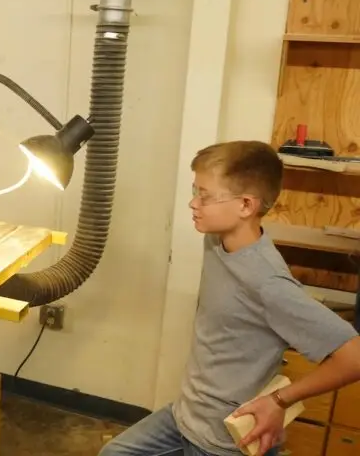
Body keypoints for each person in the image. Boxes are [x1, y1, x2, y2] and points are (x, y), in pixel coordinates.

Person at [99, 141, 360, 456]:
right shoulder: (216, 241)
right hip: (186, 416)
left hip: (222, 442)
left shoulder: (268, 283)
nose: (193, 203)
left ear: (246, 206)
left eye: (205, 196)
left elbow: (353, 357)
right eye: (195, 190)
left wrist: (279, 400)